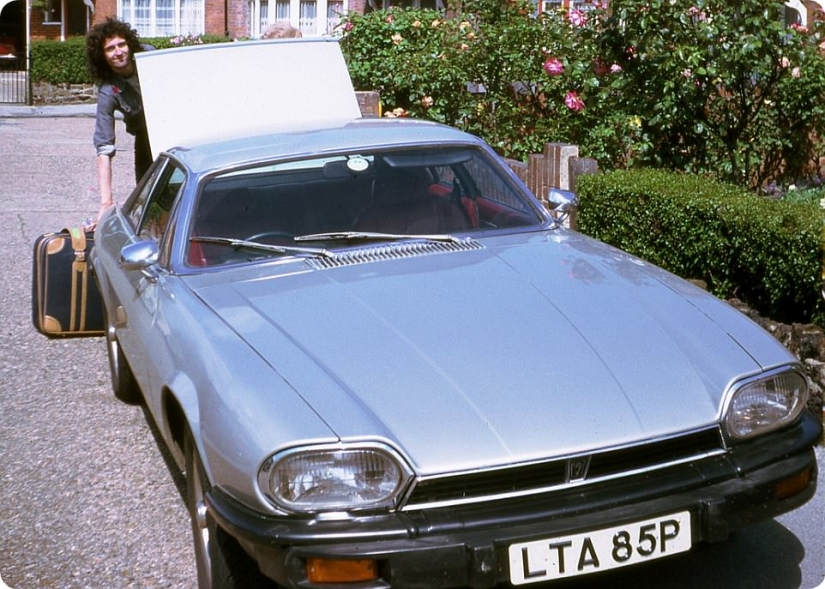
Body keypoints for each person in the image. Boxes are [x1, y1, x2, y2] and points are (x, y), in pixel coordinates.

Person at [86, 18, 152, 222]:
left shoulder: (149, 57)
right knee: (147, 197)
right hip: (144, 137)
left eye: (121, 44)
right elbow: (104, 147)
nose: (118, 52)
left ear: (129, 44)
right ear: (102, 56)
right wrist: (106, 202)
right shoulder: (108, 91)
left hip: (173, 125)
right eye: (110, 48)